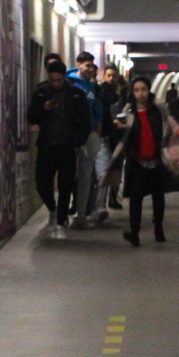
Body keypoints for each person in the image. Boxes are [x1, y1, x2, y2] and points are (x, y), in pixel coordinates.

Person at [26, 59, 90, 238]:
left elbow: (85, 121)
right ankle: (52, 208)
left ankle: (61, 219)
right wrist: (43, 109)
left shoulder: (76, 94)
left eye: (59, 80)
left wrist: (78, 143)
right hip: (47, 146)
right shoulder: (41, 93)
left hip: (67, 147)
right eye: (52, 80)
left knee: (65, 184)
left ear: (64, 78)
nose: (56, 84)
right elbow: (31, 117)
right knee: (41, 183)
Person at [112, 76, 179, 246]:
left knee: (158, 197)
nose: (140, 93)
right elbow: (121, 137)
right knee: (135, 199)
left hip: (157, 159)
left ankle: (159, 229)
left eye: (143, 89)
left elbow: (171, 128)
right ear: (132, 93)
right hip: (137, 160)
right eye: (136, 90)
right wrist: (118, 129)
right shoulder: (128, 112)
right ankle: (135, 233)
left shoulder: (158, 110)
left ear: (149, 90)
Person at [68, 52, 107, 230]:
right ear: (78, 64)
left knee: (86, 175)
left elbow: (97, 112)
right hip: (71, 135)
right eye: (87, 65)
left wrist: (96, 135)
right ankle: (62, 213)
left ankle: (81, 215)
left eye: (92, 66)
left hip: (89, 134)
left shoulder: (91, 87)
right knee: (68, 175)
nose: (90, 69)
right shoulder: (69, 83)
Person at [100, 65, 128, 210]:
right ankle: (101, 202)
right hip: (106, 134)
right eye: (109, 75)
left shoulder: (123, 92)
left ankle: (113, 198)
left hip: (119, 135)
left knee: (117, 167)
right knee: (104, 168)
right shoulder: (102, 91)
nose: (111, 79)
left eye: (114, 76)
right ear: (104, 76)